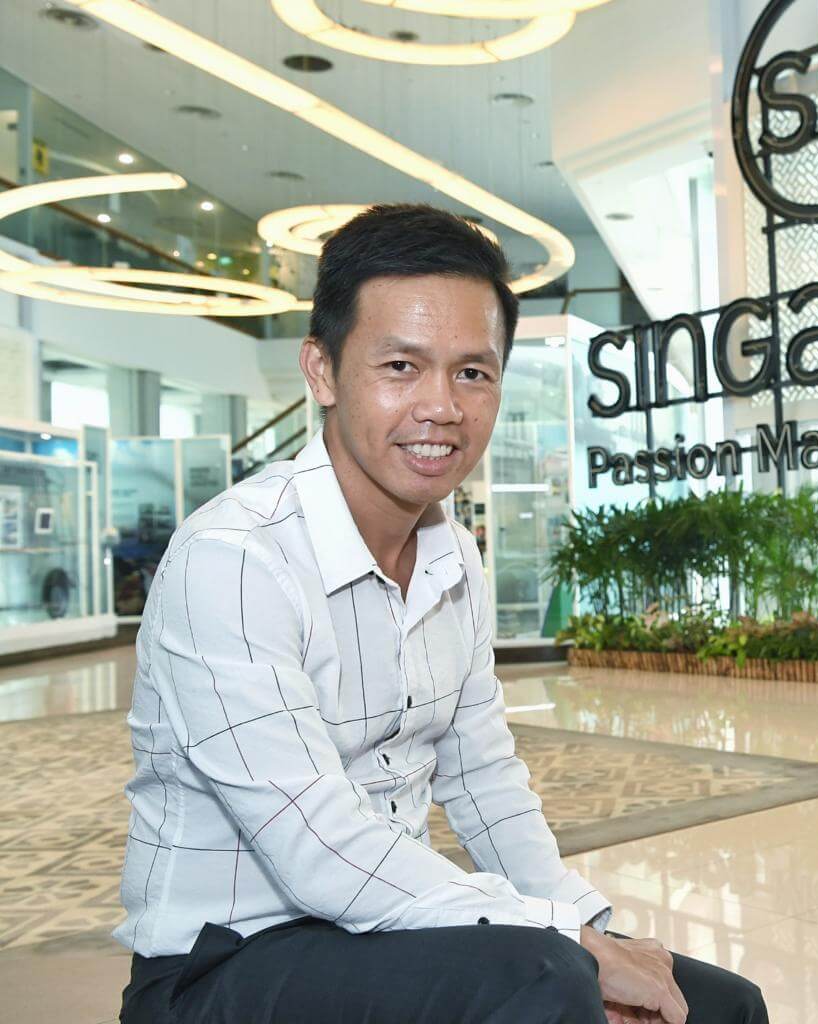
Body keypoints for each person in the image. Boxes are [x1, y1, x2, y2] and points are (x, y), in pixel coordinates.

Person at [114, 204, 769, 1023]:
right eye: (400, 366)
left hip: (387, 936)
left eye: (472, 373)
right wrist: (566, 942)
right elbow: (319, 850)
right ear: (321, 370)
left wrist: (594, 930)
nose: (442, 407)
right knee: (542, 977)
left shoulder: (454, 554)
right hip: (220, 964)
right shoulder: (235, 559)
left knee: (717, 1005)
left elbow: (485, 781)